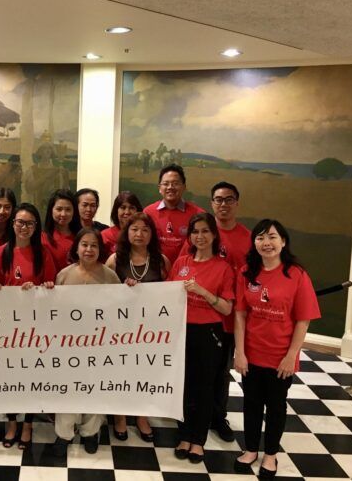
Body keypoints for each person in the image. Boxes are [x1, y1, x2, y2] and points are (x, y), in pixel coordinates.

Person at [234, 220, 320, 478]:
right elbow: (239, 315)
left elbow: (303, 320)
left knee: (275, 406)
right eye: (260, 237)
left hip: (281, 356)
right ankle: (250, 449)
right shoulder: (246, 272)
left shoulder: (296, 275)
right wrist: (240, 352)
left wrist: (291, 356)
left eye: (272, 237)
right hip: (252, 353)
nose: (266, 243)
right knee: (250, 403)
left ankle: (270, 454)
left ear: (283, 242)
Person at [168, 212, 234, 463]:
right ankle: (184, 435)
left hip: (209, 333)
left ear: (214, 235)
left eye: (205, 231)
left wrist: (202, 291)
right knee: (183, 385)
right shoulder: (181, 262)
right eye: (195, 232)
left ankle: (198, 440)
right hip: (182, 330)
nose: (200, 236)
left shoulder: (223, 267)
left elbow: (227, 308)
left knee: (205, 387)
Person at [0, 203, 57, 449]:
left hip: (35, 326)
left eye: (30, 223)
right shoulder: (2, 252)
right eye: (20, 222)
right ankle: (12, 421)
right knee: (10, 373)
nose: (24, 227)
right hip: (9, 326)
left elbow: (51, 287)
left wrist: (41, 288)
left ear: (36, 227)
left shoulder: (43, 253)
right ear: (13, 224)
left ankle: (28, 422)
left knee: (32, 375)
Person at [53, 228, 119, 457]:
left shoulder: (110, 276)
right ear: (77, 248)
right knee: (67, 389)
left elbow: (122, 309)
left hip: (99, 345)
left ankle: (91, 432)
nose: (89, 249)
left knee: (95, 388)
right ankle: (64, 434)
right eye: (84, 244)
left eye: (94, 245)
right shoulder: (63, 275)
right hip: (68, 345)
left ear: (100, 249)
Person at [105, 212, 170, 442]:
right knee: (120, 371)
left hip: (150, 331)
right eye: (134, 229)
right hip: (119, 330)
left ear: (152, 233)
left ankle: (141, 414)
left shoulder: (161, 260)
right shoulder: (114, 260)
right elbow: (104, 295)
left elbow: (168, 297)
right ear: (126, 232)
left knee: (145, 373)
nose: (139, 234)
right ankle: (120, 416)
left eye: (145, 229)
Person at [209, 181, 251, 442]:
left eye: (228, 199)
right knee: (196, 369)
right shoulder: (203, 232)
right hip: (201, 315)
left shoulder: (247, 237)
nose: (223, 204)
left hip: (231, 316)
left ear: (236, 203)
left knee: (221, 371)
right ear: (211, 203)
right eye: (218, 199)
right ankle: (192, 413)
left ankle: (218, 416)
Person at [143, 164, 204, 264]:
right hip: (156, 269)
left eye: (175, 183)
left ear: (184, 187)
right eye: (166, 184)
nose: (170, 187)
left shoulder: (198, 214)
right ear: (159, 188)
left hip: (187, 270)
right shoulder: (148, 212)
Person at [42, 189, 81, 272]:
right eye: (59, 209)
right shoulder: (42, 238)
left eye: (68, 210)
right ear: (51, 210)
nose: (63, 214)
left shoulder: (81, 237)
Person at [100, 191, 143, 255]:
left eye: (131, 208)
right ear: (116, 211)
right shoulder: (106, 236)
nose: (127, 212)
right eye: (123, 208)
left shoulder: (142, 235)